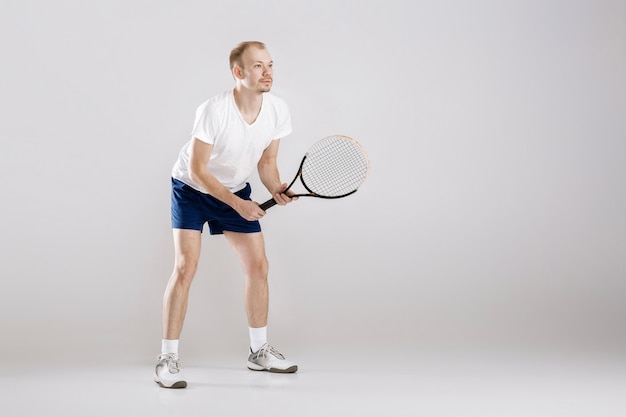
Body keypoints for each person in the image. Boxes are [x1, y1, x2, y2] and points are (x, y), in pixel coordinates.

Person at [154, 41, 298, 389]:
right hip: (191, 188)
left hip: (234, 189)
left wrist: (275, 186)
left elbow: (265, 162)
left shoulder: (278, 109)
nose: (268, 72)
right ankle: (167, 358)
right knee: (185, 267)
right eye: (258, 66)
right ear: (238, 72)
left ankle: (259, 351)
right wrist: (238, 204)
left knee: (258, 266)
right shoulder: (213, 110)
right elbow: (199, 170)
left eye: (271, 65)